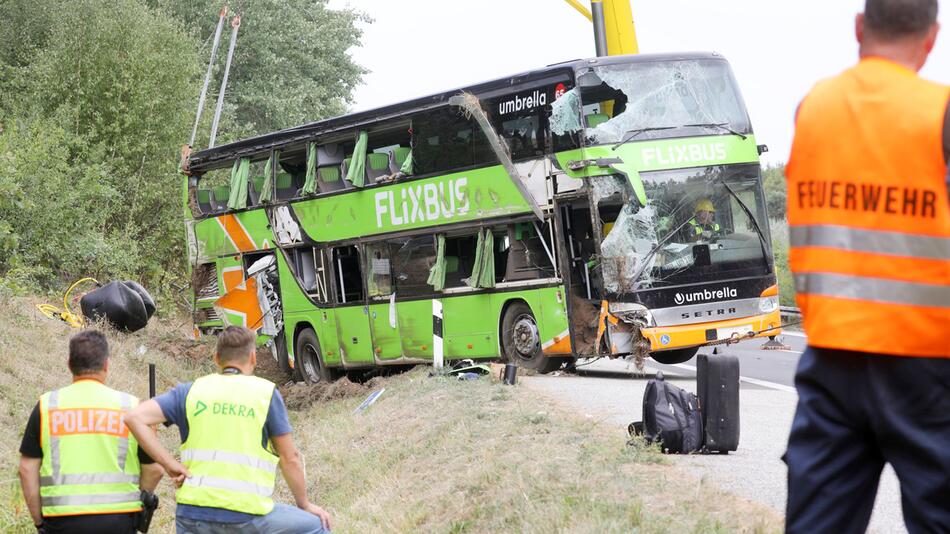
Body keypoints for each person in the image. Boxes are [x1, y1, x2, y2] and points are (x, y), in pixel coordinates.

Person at [784, 0, 950, 532]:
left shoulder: (813, 107)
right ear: (932, 37)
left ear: (860, 27)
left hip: (831, 361)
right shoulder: (940, 112)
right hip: (927, 367)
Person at [123, 326, 332, 534]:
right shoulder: (265, 394)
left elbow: (135, 417)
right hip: (246, 516)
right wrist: (304, 504)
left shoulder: (190, 391)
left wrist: (169, 464)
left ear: (216, 358)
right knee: (317, 526)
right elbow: (290, 458)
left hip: (192, 516)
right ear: (253, 358)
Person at [18, 330, 164, 534]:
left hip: (61, 521)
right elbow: (155, 470)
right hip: (119, 521)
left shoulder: (47, 406)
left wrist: (39, 523)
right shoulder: (132, 408)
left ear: (70, 364)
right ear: (106, 365)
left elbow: (26, 470)